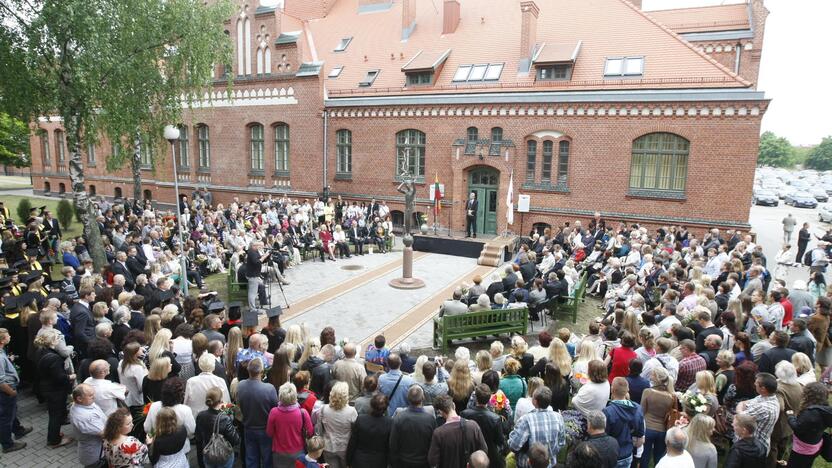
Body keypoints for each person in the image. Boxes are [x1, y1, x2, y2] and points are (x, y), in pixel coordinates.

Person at [35, 329, 75, 448]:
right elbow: (60, 377)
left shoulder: (40, 351)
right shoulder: (53, 358)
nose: (59, 341)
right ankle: (54, 440)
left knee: (54, 413)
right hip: (54, 390)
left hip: (46, 387)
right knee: (55, 415)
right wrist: (70, 376)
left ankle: (55, 434)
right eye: (57, 339)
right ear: (52, 341)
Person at [508, 387, 566, 468]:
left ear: (535, 401)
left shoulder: (526, 420)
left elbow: (514, 446)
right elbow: (561, 443)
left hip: (528, 465)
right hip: (550, 464)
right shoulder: (558, 417)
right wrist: (550, 452)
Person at [238, 357, 279, 468]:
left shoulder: (240, 385)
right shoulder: (269, 389)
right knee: (267, 460)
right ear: (262, 371)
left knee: (251, 459)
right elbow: (275, 409)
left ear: (248, 370)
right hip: (265, 430)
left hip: (248, 428)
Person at [428, 394, 488, 468]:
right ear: (454, 405)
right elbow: (484, 450)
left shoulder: (439, 433)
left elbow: (433, 461)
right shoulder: (473, 426)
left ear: (440, 412)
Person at [266, 382, 313, 468]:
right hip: (298, 452)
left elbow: (269, 432)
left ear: (280, 396)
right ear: (295, 396)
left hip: (279, 452)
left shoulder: (274, 412)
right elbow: (310, 432)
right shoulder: (302, 413)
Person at [461, 384, 508, 468]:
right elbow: (500, 441)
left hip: (471, 452)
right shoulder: (495, 418)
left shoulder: (465, 414)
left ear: (476, 398)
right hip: (490, 454)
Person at [786, 382, 832, 467]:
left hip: (802, 450)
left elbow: (797, 428)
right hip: (815, 445)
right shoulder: (826, 410)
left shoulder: (810, 414)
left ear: (808, 395)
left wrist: (790, 416)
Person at [389, 385, 437, 468]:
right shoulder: (430, 420)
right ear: (423, 398)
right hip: (424, 463)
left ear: (408, 398)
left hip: (403, 462)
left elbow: (393, 444)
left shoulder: (399, 418)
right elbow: (433, 444)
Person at [603, 377, 644, 468]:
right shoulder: (638, 408)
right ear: (627, 390)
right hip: (628, 453)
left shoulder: (608, 411)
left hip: (612, 454)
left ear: (612, 390)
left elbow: (604, 435)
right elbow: (640, 434)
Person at [195, 387, 240, 468]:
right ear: (220, 400)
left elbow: (198, 437)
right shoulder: (224, 418)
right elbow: (235, 439)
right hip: (224, 456)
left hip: (208, 454)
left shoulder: (200, 416)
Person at [737, 372, 779, 456]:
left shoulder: (764, 407)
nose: (754, 384)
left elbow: (739, 417)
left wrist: (740, 407)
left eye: (756, 383)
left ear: (763, 388)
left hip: (753, 448)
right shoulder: (765, 397)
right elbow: (744, 403)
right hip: (753, 444)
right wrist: (742, 405)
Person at [640, 366, 675, 467]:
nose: (650, 376)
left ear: (657, 377)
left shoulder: (648, 392)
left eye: (652, 374)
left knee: (644, 457)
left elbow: (642, 411)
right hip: (663, 430)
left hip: (648, 428)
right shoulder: (671, 396)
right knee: (659, 459)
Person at [318, 381, 358, 468]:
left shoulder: (323, 409)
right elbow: (355, 431)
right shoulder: (352, 411)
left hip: (328, 446)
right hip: (345, 447)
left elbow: (319, 430)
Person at [346, 393, 392, 468]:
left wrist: (348, 461)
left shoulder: (361, 419)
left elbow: (353, 442)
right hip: (379, 461)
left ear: (371, 405)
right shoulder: (389, 423)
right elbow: (389, 446)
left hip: (360, 461)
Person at [69, 384, 108, 468]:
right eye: (90, 395)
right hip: (95, 456)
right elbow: (104, 433)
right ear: (79, 399)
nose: (94, 397)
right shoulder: (83, 416)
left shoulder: (84, 404)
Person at [184, 353, 230, 418]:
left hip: (195, 419)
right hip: (214, 420)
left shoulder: (191, 382)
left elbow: (185, 403)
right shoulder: (220, 381)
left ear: (200, 365)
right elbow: (226, 402)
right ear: (213, 366)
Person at [245, 240, 271, 311]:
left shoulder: (255, 252)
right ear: (253, 246)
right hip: (252, 275)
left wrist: (267, 256)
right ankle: (252, 309)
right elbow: (257, 262)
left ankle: (263, 301)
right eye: (257, 245)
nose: (259, 247)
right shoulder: (251, 252)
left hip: (255, 274)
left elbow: (261, 260)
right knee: (252, 293)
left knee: (261, 285)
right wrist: (264, 256)